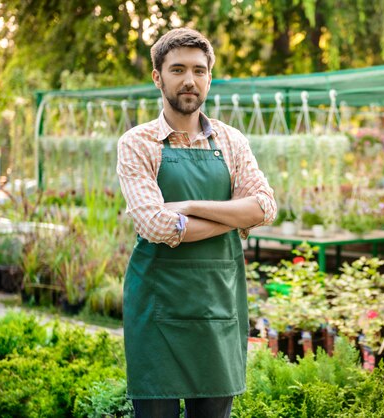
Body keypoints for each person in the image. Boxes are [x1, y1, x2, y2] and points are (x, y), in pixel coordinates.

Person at [117, 28, 277, 418]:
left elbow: (265, 206)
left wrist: (187, 205)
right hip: (156, 310)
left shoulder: (231, 140)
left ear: (209, 76)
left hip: (217, 304)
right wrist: (233, 216)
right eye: (177, 70)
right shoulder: (138, 143)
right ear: (158, 77)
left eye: (199, 70)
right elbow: (156, 226)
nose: (190, 80)